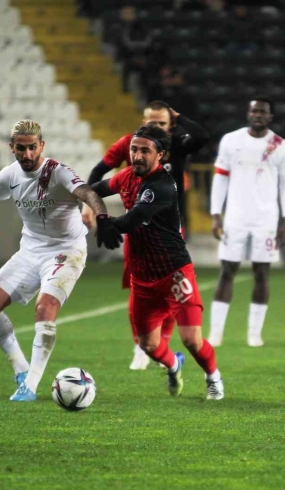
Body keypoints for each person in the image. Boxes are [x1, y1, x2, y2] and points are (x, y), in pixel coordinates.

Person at [0, 120, 122, 402]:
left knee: (45, 306)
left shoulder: (58, 172)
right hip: (30, 252)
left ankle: (30, 384)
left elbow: (88, 193)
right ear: (12, 148)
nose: (27, 154)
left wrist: (101, 216)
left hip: (67, 251)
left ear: (42, 146)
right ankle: (20, 368)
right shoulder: (9, 175)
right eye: (21, 148)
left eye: (32, 148)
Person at [91, 125, 224, 400]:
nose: (137, 156)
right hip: (142, 278)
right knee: (149, 345)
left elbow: (132, 220)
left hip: (174, 273)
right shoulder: (126, 175)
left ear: (160, 155)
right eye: (134, 150)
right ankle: (174, 364)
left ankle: (213, 377)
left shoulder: (162, 186)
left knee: (191, 339)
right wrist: (93, 211)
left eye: (145, 151)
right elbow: (91, 190)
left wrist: (106, 222)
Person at [208, 98, 285, 348]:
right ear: (248, 113)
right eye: (254, 110)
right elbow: (220, 179)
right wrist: (216, 213)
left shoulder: (279, 145)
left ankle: (254, 334)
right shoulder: (231, 141)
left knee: (262, 273)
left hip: (266, 220)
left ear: (270, 116)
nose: (258, 114)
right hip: (235, 218)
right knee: (227, 271)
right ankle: (215, 334)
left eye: (263, 111)